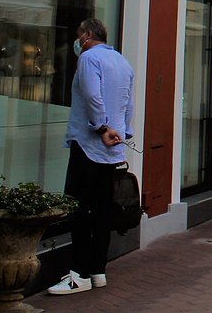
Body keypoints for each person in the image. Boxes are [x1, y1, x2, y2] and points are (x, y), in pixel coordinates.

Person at [47, 18, 134, 296]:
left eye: (77, 36)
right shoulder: (122, 61)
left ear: (86, 35)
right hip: (113, 147)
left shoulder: (88, 58)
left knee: (78, 207)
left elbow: (92, 96)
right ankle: (98, 270)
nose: (77, 42)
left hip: (89, 144)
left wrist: (100, 127)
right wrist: (123, 131)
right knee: (102, 209)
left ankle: (79, 273)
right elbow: (128, 102)